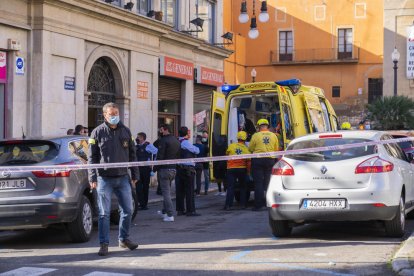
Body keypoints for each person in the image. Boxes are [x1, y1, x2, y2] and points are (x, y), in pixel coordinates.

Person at [88, 102, 139, 256]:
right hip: (104, 179)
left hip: (123, 177)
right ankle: (104, 244)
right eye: (112, 114)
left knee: (128, 210)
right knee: (104, 214)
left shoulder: (126, 131)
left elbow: (133, 154)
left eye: (116, 113)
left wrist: (135, 174)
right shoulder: (96, 133)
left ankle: (124, 239)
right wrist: (92, 177)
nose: (115, 116)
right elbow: (92, 157)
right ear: (105, 115)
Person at [248, 119, 279, 211]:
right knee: (268, 182)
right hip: (270, 160)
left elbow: (250, 148)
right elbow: (276, 149)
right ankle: (269, 204)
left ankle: (258, 205)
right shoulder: (274, 136)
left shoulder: (256, 135)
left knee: (258, 183)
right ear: (267, 126)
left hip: (258, 160)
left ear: (259, 126)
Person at [156, 124, 180, 222]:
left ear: (165, 130)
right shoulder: (176, 140)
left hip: (164, 169)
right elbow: (178, 155)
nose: (160, 131)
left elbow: (160, 156)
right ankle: (164, 211)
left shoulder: (163, 140)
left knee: (166, 193)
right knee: (167, 191)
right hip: (173, 169)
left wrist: (154, 168)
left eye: (161, 130)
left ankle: (170, 215)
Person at [176, 126, 200, 216]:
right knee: (189, 191)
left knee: (180, 191)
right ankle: (190, 210)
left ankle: (180, 210)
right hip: (187, 169)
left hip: (179, 168)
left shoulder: (177, 141)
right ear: (187, 133)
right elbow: (196, 150)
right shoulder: (185, 142)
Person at [224, 131, 251, 210]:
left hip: (231, 169)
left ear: (237, 137)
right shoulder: (246, 149)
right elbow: (248, 162)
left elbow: (226, 155)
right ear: (245, 138)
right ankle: (243, 205)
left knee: (230, 187)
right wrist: (248, 172)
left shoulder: (231, 146)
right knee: (243, 187)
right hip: (241, 169)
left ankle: (228, 205)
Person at [135, 132, 158, 210]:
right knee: (138, 187)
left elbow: (156, 152)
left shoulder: (148, 146)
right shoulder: (136, 147)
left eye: (138, 137)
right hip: (138, 169)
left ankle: (144, 204)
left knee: (145, 187)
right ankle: (140, 202)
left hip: (145, 169)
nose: (137, 139)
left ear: (142, 138)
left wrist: (153, 164)